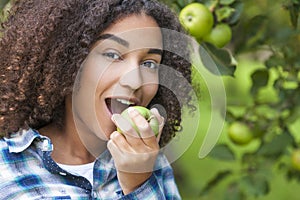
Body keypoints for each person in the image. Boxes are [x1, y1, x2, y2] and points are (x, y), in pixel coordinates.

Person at [0, 0, 193, 199]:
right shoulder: (5, 169)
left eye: (150, 64)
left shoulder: (151, 163)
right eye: (112, 54)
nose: (135, 81)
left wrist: (140, 182)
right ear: (68, 61)